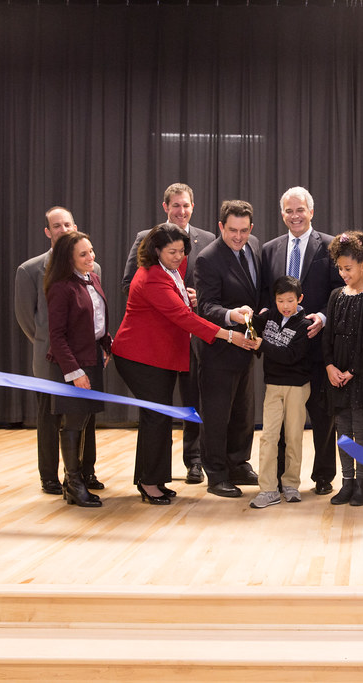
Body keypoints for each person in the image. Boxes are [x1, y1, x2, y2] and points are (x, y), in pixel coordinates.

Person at [112, 224, 251, 505]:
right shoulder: (151, 277)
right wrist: (229, 336)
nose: (178, 256)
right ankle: (150, 483)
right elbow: (184, 318)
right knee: (156, 417)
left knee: (158, 416)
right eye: (171, 251)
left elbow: (185, 304)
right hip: (139, 357)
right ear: (155, 251)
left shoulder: (172, 268)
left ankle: (152, 479)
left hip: (158, 355)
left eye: (181, 250)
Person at [121, 183, 216, 487]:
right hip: (158, 342)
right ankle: (154, 475)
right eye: (175, 205)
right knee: (157, 412)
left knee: (193, 402)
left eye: (185, 205)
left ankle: (194, 461)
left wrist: (196, 296)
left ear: (193, 206)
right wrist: (172, 299)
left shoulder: (209, 239)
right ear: (165, 207)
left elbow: (212, 289)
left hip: (193, 337)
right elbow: (129, 285)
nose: (181, 211)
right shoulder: (145, 240)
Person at [260, 187, 344, 496]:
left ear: (311, 212)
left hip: (318, 345)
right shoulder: (269, 249)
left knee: (322, 416)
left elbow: (338, 292)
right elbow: (264, 296)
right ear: (282, 214)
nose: (295, 216)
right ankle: (283, 478)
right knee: (281, 421)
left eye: (300, 210)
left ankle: (323, 475)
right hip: (281, 353)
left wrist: (322, 317)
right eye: (289, 211)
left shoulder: (331, 246)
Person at [15, 206, 101, 495]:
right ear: (47, 232)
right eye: (56, 226)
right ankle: (50, 477)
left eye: (67, 224)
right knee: (51, 419)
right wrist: (51, 347)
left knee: (84, 416)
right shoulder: (30, 270)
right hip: (51, 359)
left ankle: (84, 472)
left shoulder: (92, 267)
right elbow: (28, 320)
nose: (63, 230)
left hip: (84, 356)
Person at [194, 200, 263, 498]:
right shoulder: (207, 258)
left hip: (247, 347)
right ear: (220, 227)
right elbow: (205, 306)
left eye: (244, 230)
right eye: (232, 230)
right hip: (219, 349)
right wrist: (233, 315)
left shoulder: (255, 246)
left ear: (251, 228)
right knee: (216, 414)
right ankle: (217, 474)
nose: (238, 236)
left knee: (243, 412)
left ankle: (238, 462)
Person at [44, 231, 112, 508]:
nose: (90, 257)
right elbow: (57, 336)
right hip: (71, 365)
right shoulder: (61, 286)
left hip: (92, 358)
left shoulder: (92, 277)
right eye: (83, 254)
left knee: (84, 422)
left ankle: (78, 478)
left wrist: (106, 343)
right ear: (68, 258)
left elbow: (96, 320)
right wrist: (75, 372)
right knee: (72, 424)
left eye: (91, 251)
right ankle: (73, 483)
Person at [321, 231, 363, 507]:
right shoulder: (337, 295)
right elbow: (327, 337)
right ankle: (346, 481)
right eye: (340, 268)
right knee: (342, 430)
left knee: (360, 428)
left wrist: (353, 371)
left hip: (360, 376)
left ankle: (361, 481)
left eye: (348, 268)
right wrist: (330, 366)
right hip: (337, 374)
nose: (343, 273)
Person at [248, 276, 313, 509]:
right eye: (280, 300)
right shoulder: (269, 316)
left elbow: (290, 357)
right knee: (268, 438)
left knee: (294, 437)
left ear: (300, 299)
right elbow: (251, 323)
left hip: (297, 386)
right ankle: (267, 489)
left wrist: (262, 344)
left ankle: (291, 484)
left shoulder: (306, 325)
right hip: (273, 386)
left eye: (290, 300)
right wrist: (246, 315)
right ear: (273, 300)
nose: (285, 305)